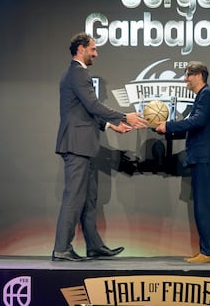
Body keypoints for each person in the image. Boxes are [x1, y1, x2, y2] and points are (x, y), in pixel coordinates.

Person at [53, 32, 148, 261]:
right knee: (74, 197)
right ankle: (61, 249)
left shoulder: (77, 74)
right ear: (81, 49)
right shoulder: (78, 74)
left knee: (89, 199)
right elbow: (93, 105)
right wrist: (124, 116)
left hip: (83, 146)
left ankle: (94, 246)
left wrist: (111, 126)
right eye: (93, 49)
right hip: (76, 145)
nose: (96, 53)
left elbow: (85, 111)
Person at [156, 61, 210, 263]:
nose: (185, 79)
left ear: (199, 76)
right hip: (202, 158)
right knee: (202, 204)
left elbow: (197, 121)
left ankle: (208, 252)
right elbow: (192, 126)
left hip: (206, 158)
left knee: (204, 205)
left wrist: (168, 126)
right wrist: (164, 128)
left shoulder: (207, 95)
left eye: (187, 75)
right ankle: (207, 250)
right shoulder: (203, 97)